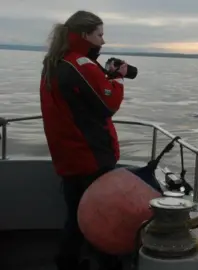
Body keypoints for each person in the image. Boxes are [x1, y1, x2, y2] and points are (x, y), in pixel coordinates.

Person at [39, 10, 128, 270]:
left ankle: (67, 262)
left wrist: (104, 76)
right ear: (84, 35)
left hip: (68, 155)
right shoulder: (80, 64)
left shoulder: (54, 62)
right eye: (99, 34)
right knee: (101, 217)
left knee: (77, 214)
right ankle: (110, 265)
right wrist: (118, 78)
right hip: (90, 157)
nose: (103, 41)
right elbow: (108, 104)